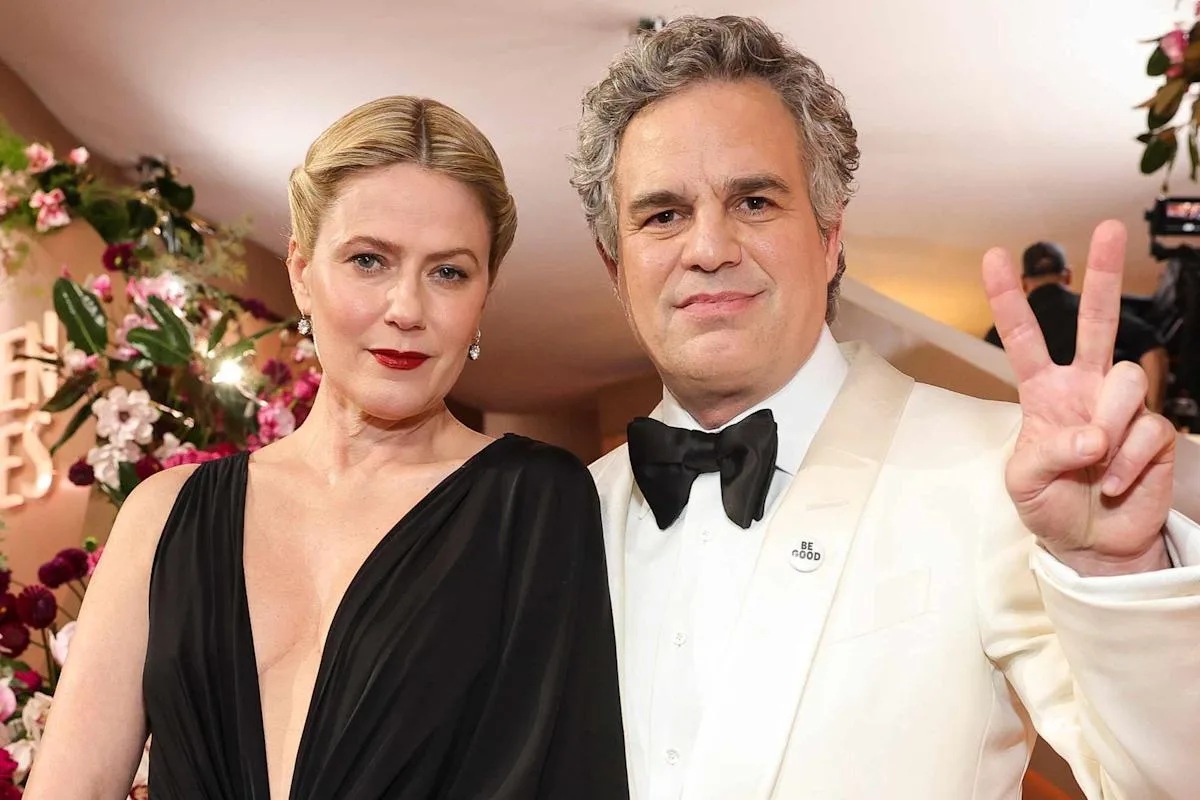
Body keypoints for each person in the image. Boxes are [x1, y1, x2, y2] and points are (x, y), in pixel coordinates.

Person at [571, 16, 1199, 800]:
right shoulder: (566, 514)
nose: (708, 248)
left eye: (755, 201)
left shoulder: (1002, 474)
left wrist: (1117, 573)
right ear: (616, 266)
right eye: (663, 215)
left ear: (830, 238)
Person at [28, 96, 628, 799]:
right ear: (300, 272)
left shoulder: (535, 504)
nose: (407, 309)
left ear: (484, 295)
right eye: (369, 260)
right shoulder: (164, 517)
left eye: (449, 272)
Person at [984, 240, 1170, 411]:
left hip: (1037, 422)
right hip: (1104, 415)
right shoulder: (1097, 312)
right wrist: (1154, 411)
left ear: (1024, 282)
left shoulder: (1003, 331)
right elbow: (1153, 350)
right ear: (1067, 275)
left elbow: (986, 383)